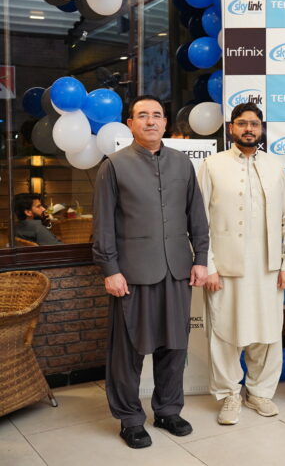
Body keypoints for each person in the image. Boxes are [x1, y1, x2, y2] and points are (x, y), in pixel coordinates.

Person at [92, 95, 209, 449]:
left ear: (165, 123)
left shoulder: (183, 163)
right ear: (131, 123)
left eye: (157, 115)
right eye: (143, 115)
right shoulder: (113, 166)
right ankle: (130, 418)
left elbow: (197, 216)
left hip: (177, 271)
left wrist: (201, 259)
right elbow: (103, 225)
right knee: (128, 353)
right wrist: (110, 269)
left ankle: (168, 411)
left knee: (174, 348)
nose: (151, 121)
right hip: (132, 275)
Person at [198, 102, 285, 424]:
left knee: (267, 333)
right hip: (225, 268)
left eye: (254, 124)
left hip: (268, 269)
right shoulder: (212, 165)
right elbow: (199, 221)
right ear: (231, 128)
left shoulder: (274, 167)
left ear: (261, 128)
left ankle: (260, 393)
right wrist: (209, 265)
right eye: (242, 123)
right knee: (224, 334)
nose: (248, 129)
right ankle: (229, 394)